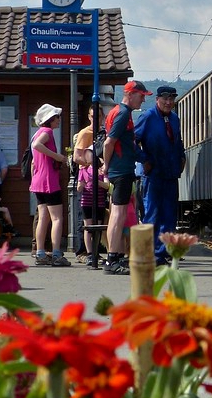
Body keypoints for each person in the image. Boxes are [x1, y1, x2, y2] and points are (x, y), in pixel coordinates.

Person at [101, 80, 152, 275]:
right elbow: (109, 143)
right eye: (141, 96)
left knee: (118, 213)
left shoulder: (117, 112)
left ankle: (116, 257)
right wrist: (106, 166)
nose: (142, 100)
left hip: (120, 169)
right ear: (130, 94)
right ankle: (112, 259)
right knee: (118, 214)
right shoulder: (122, 114)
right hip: (120, 170)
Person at [134, 85, 187, 265]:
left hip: (171, 174)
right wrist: (144, 159)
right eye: (165, 98)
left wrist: (182, 157)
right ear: (157, 99)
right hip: (153, 174)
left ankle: (163, 253)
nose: (168, 102)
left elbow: (178, 141)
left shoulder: (174, 119)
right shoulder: (148, 117)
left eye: (172, 99)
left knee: (169, 216)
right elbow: (132, 141)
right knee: (152, 214)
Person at [30, 103, 70, 267]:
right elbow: (37, 145)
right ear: (50, 119)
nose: (59, 120)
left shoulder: (37, 132)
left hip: (38, 180)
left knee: (43, 217)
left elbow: (34, 160)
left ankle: (40, 252)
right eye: (57, 117)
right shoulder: (47, 132)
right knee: (57, 218)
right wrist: (58, 157)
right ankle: (56, 252)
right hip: (49, 181)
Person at [72, 104, 107, 260]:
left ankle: (96, 251)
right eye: (93, 117)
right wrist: (92, 163)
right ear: (89, 117)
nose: (96, 120)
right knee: (84, 219)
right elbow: (76, 157)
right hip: (87, 180)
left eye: (98, 117)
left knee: (98, 219)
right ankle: (83, 252)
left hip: (100, 180)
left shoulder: (104, 134)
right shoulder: (85, 133)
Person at [77, 150, 109, 269]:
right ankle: (90, 253)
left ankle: (96, 252)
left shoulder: (101, 170)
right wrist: (81, 185)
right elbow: (79, 188)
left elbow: (107, 185)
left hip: (99, 203)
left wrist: (97, 180)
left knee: (98, 228)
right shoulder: (83, 170)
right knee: (88, 228)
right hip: (87, 202)